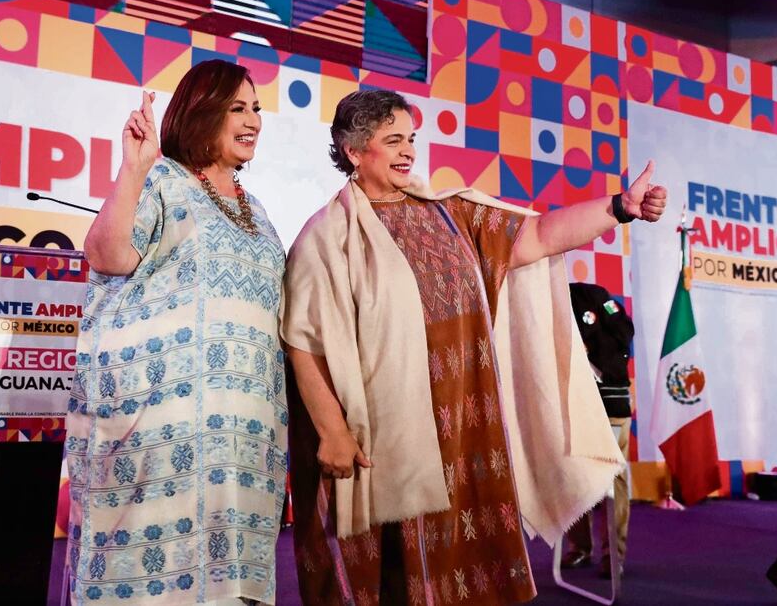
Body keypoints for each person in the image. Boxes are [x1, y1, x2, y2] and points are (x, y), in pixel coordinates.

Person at [281, 89, 667, 604]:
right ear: (354, 151)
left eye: (412, 139)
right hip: (381, 443)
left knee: (462, 574)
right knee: (381, 576)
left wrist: (620, 207)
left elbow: (542, 235)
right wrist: (331, 431)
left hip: (464, 431)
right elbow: (301, 342)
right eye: (392, 140)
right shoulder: (325, 239)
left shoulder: (452, 215)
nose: (408, 152)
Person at [66, 60, 288, 605]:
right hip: (166, 435)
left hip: (244, 443)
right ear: (200, 113)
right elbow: (106, 254)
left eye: (256, 108)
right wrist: (134, 169)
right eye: (237, 107)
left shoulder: (255, 210)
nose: (253, 119)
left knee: (231, 583)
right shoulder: (162, 180)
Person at [562, 283, 635, 579]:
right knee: (581, 477)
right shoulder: (605, 306)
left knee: (605, 480)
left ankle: (605, 553)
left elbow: (623, 333)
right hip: (589, 405)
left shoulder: (582, 300)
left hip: (602, 406)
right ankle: (593, 550)